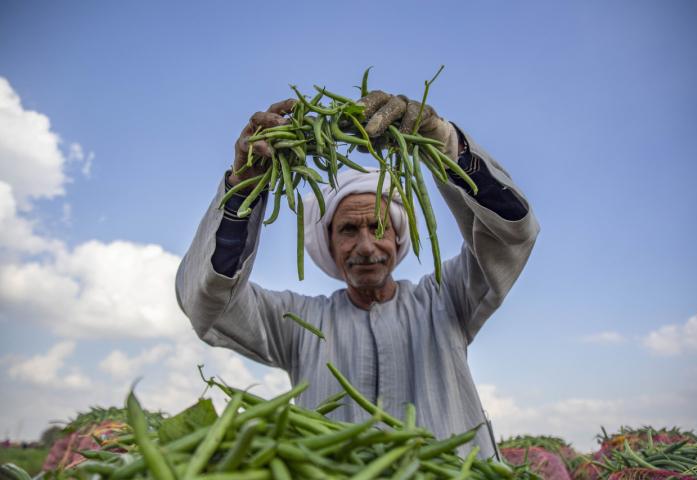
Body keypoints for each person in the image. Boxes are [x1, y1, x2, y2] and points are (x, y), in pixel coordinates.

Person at [176, 91, 540, 459]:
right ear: (329, 243)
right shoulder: (298, 322)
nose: (366, 246)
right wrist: (245, 188)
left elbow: (510, 239)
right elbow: (208, 305)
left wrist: (443, 144)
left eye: (379, 226)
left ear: (399, 236)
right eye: (349, 229)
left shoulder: (445, 301)